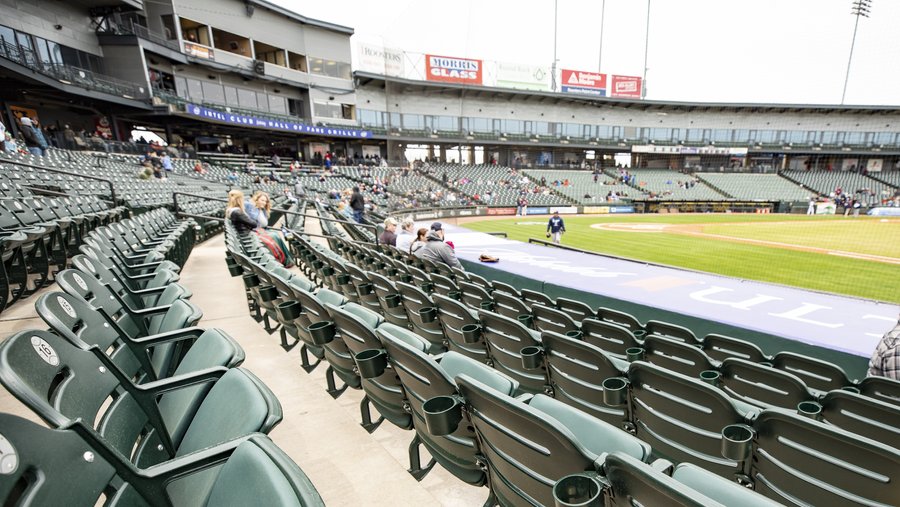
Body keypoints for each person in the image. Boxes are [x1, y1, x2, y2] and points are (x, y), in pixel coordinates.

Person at [245, 192, 294, 268]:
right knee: (273, 236)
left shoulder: (263, 210)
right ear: (256, 200)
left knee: (276, 235)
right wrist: (251, 202)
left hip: (264, 230)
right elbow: (244, 203)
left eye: (265, 201)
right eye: (262, 200)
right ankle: (279, 262)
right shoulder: (251, 208)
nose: (264, 202)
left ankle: (287, 259)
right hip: (255, 231)